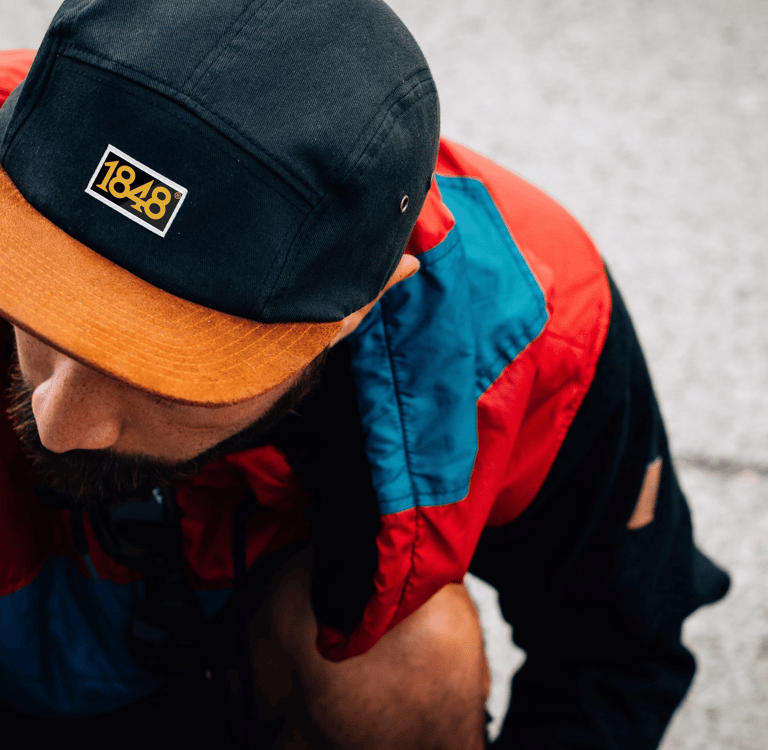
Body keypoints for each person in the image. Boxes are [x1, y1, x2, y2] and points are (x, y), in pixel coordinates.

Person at [0, 1, 730, 748]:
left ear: (363, 303)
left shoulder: (534, 327)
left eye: (164, 369)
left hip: (258, 673)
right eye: (39, 300)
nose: (61, 422)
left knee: (413, 666)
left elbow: (611, 651)